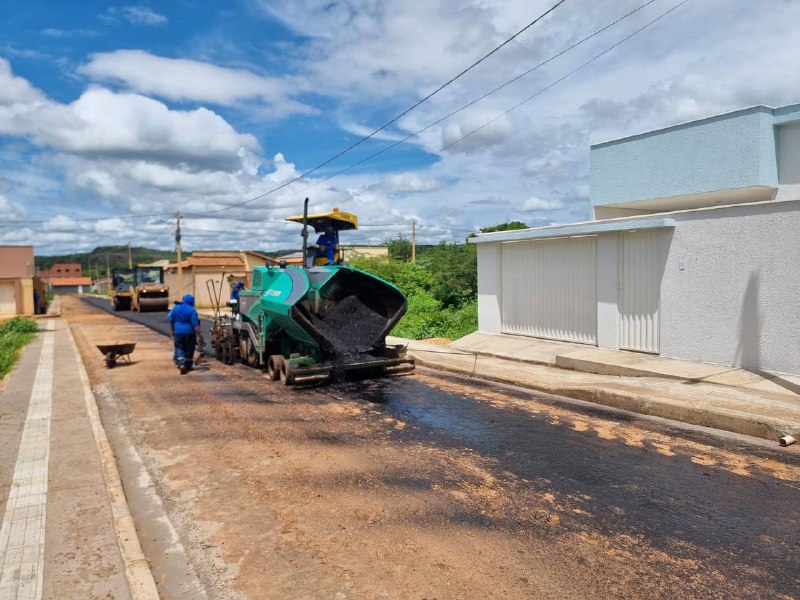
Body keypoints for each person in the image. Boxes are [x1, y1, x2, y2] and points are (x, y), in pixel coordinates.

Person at [168, 294, 202, 374]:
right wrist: (200, 336)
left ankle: (181, 364)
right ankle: (188, 365)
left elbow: (171, 320)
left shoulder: (176, 308)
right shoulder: (192, 310)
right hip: (190, 332)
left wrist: (173, 331)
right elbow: (195, 324)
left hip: (178, 332)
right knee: (189, 348)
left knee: (179, 347)